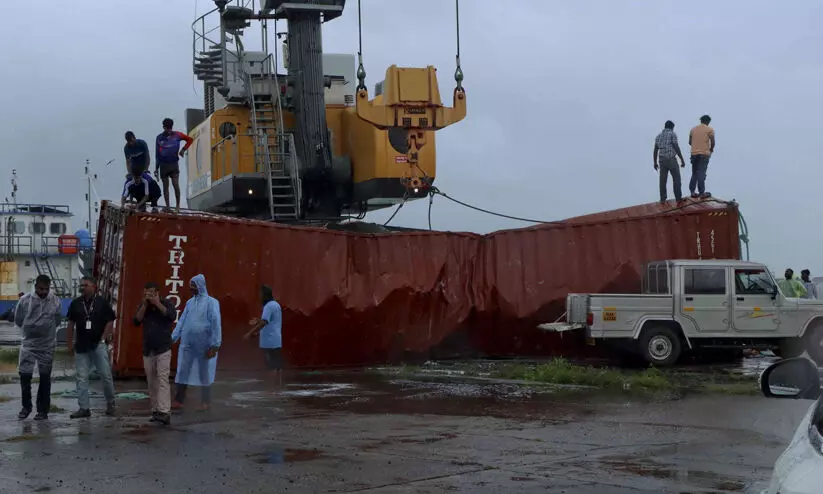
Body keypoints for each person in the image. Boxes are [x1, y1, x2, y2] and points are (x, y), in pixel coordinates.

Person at [66, 276, 117, 418]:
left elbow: (110, 321)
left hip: (97, 345)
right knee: (81, 377)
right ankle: (84, 408)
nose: (82, 287)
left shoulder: (102, 303)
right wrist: (69, 344)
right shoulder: (76, 303)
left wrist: (103, 338)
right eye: (81, 285)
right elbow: (70, 324)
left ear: (94, 287)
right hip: (81, 346)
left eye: (85, 285)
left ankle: (110, 403)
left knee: (105, 375)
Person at [171, 274, 221, 412]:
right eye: (190, 285)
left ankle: (206, 401)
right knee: (183, 370)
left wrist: (216, 345)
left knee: (204, 372)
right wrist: (173, 337)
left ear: (200, 285)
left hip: (205, 344)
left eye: (194, 285)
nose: (191, 288)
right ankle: (179, 399)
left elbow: (216, 324)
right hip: (187, 343)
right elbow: (181, 321)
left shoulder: (212, 302)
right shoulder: (190, 303)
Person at [15, 276, 61, 421]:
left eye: (46, 289)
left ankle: (43, 410)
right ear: (36, 287)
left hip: (46, 345)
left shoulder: (55, 300)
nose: (44, 292)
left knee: (45, 378)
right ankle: (26, 407)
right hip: (28, 344)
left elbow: (57, 319)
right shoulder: (25, 300)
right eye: (41, 289)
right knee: (25, 375)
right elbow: (18, 319)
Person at [134, 282, 176, 425]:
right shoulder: (143, 306)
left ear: (158, 292)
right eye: (146, 293)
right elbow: (136, 321)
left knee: (163, 379)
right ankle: (156, 410)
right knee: (151, 381)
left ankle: (165, 411)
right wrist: (145, 305)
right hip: (148, 349)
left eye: (151, 293)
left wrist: (157, 303)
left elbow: (171, 316)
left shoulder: (167, 303)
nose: (149, 295)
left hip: (163, 348)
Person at [243, 285, 283, 385]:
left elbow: (264, 322)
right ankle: (278, 388)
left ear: (265, 294)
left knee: (271, 366)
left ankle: (271, 389)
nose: (259, 296)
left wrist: (249, 333)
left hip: (269, 342)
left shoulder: (268, 306)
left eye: (261, 294)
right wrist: (257, 332)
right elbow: (271, 322)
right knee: (277, 366)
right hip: (276, 340)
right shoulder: (276, 305)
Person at [155, 118, 193, 211]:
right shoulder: (159, 137)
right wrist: (156, 168)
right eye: (167, 128)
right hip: (163, 164)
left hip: (174, 164)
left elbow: (190, 139)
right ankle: (167, 206)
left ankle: (177, 206)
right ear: (163, 127)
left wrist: (183, 150)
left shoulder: (177, 135)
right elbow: (157, 154)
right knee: (165, 187)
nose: (169, 130)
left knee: (175, 184)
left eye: (170, 128)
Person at [653, 120, 687, 203]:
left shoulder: (658, 136)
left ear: (665, 126)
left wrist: (655, 162)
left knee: (662, 180)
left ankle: (662, 199)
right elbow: (676, 146)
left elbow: (655, 150)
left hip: (661, 160)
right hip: (671, 158)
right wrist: (682, 159)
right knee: (676, 179)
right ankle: (678, 198)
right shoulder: (672, 133)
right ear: (672, 127)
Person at [688, 115, 715, 198]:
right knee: (701, 173)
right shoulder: (709, 129)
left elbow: (690, 142)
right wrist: (711, 149)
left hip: (694, 154)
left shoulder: (693, 129)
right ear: (708, 121)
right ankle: (701, 193)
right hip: (704, 154)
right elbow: (713, 142)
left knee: (694, 173)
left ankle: (692, 192)